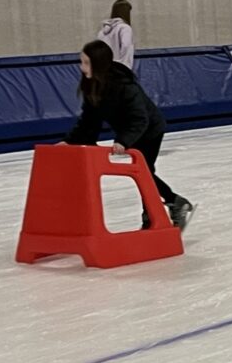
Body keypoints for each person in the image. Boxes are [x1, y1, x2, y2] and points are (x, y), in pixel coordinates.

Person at [65, 39, 195, 229]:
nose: (82, 67)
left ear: (99, 63)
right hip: (131, 130)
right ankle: (168, 205)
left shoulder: (124, 85)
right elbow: (89, 121)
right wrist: (69, 142)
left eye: (86, 63)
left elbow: (140, 119)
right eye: (82, 62)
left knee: (145, 172)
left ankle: (162, 210)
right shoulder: (93, 85)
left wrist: (123, 141)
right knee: (145, 173)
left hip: (149, 129)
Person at [97, 0, 135, 69]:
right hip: (119, 71)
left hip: (104, 70)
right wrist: (125, 68)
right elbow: (126, 46)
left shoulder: (102, 32)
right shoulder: (125, 28)